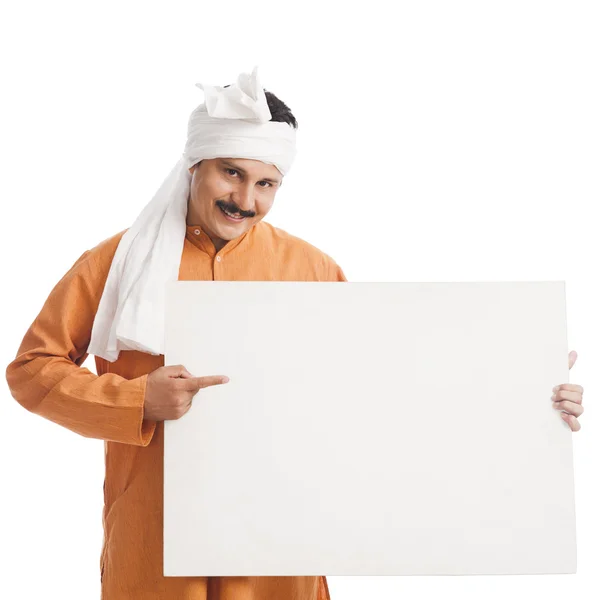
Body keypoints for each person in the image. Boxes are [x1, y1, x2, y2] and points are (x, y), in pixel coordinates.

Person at [4, 67, 585, 600]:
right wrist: (135, 399)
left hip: (281, 547)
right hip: (152, 544)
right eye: (231, 173)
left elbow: (386, 388)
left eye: (266, 184)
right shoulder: (114, 262)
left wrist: (520, 381)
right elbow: (31, 371)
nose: (245, 200)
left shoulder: (313, 269)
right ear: (195, 165)